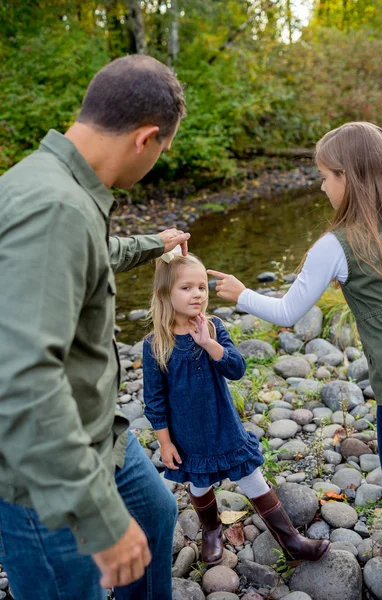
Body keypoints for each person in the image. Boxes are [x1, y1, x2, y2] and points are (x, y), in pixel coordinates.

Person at [0, 54, 190, 600]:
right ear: (146, 139)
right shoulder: (54, 207)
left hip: (100, 431)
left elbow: (94, 255)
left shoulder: (59, 183)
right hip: (49, 468)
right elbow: (24, 380)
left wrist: (158, 243)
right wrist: (98, 515)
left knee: (154, 514)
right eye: (163, 151)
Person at [207, 121, 382, 571]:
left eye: (327, 176)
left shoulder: (336, 244)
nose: (321, 185)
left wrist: (241, 295)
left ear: (347, 178)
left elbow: (288, 312)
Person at [142, 251, 330, 566]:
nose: (197, 294)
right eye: (186, 288)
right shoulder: (155, 344)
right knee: (199, 484)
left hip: (224, 428)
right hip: (188, 436)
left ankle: (291, 541)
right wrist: (164, 441)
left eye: (201, 287)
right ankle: (212, 529)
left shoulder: (213, 327)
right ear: (164, 293)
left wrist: (209, 344)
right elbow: (154, 399)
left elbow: (237, 368)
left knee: (253, 478)